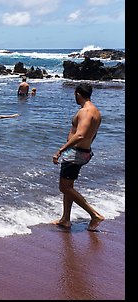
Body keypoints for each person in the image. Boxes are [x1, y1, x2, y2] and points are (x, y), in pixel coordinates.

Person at [52, 83, 104, 232]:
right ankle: (65, 219)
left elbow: (80, 134)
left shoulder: (85, 111)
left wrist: (60, 150)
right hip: (84, 152)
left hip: (75, 153)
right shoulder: (96, 112)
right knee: (69, 187)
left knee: (64, 187)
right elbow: (92, 135)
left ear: (78, 94)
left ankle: (94, 215)